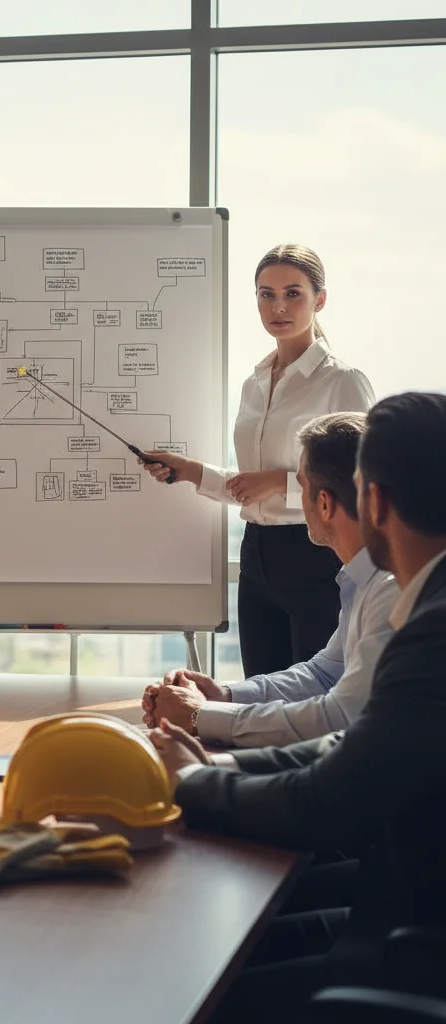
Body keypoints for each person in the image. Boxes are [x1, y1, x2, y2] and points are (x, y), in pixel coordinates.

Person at [148, 391, 446, 1022]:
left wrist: (194, 780)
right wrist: (219, 762)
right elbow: (352, 740)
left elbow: (331, 795)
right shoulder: (423, 600)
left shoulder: (433, 625)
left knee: (189, 984)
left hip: (411, 940)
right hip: (403, 902)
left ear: (375, 501)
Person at [142, 245, 375, 676]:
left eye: (293, 294)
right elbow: (252, 485)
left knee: (317, 694)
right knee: (262, 689)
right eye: (266, 294)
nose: (278, 306)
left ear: (319, 300)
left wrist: (282, 483)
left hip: (316, 555)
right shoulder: (253, 383)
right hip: (257, 557)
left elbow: (360, 483)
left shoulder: (342, 381)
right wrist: (191, 471)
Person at [142, 411, 397, 748]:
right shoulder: (363, 579)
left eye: (300, 487)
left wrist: (200, 716)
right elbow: (322, 675)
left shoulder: (391, 589)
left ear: (323, 504)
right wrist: (223, 695)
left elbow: (340, 715)